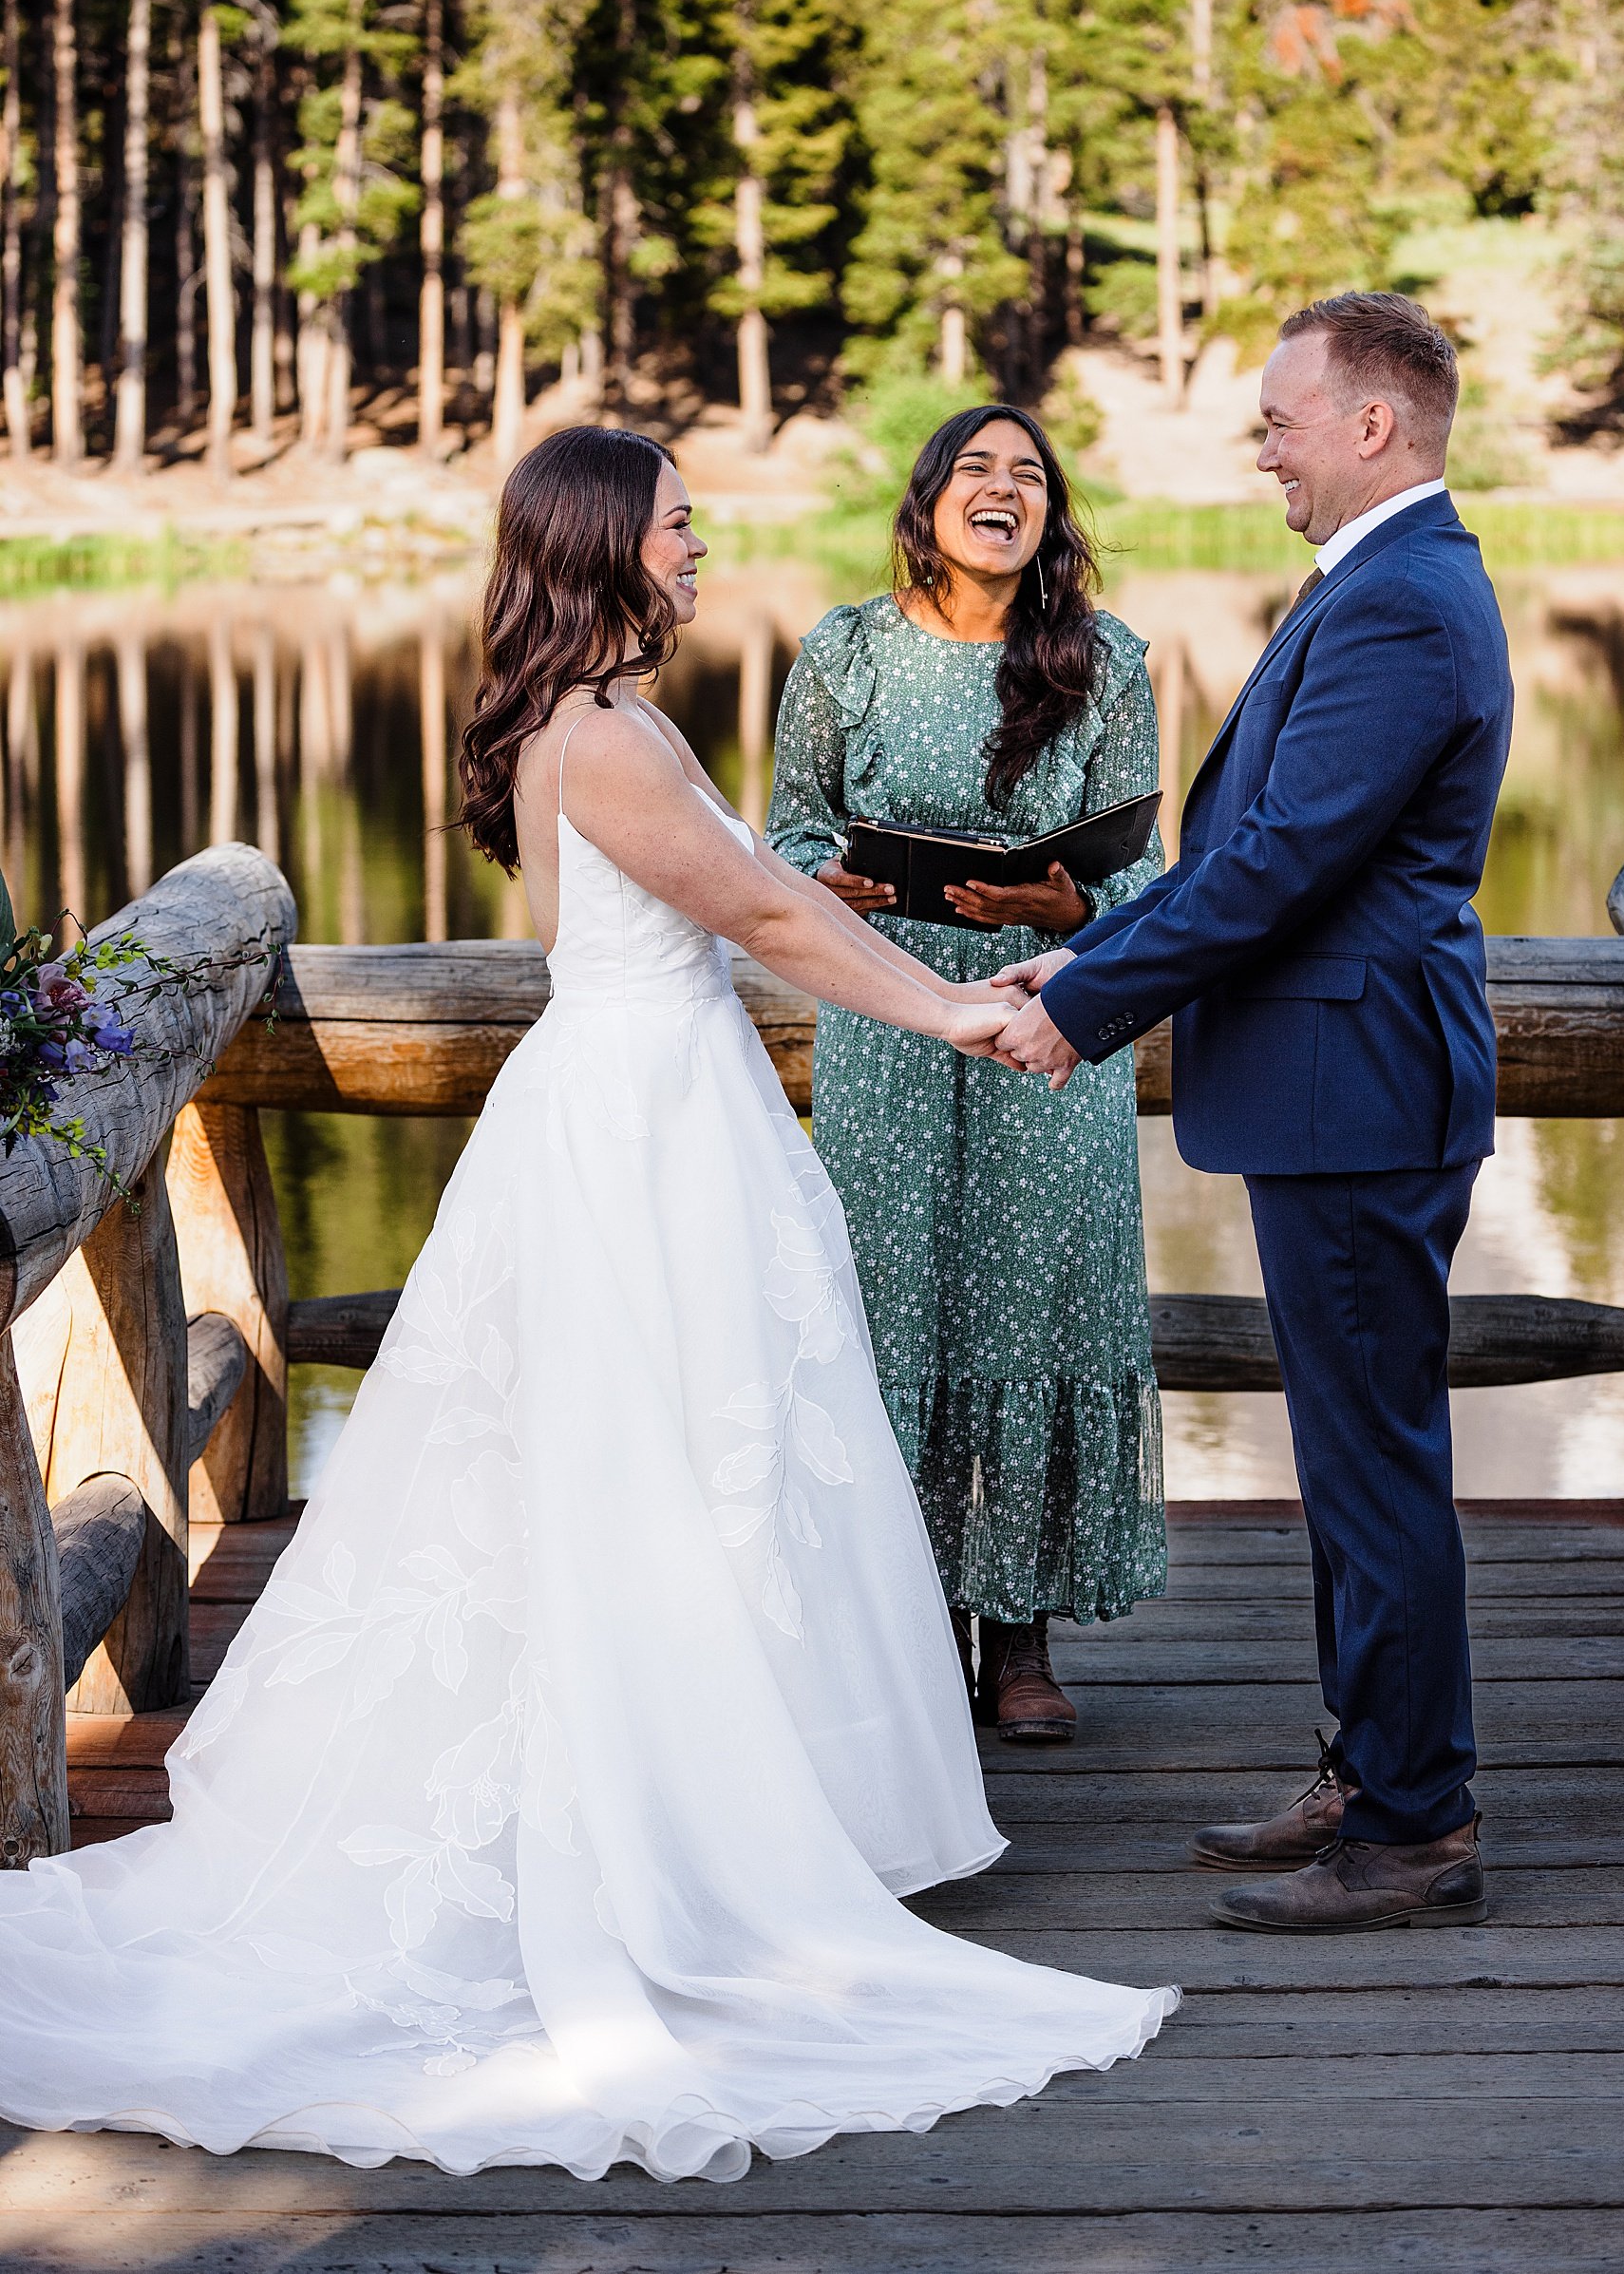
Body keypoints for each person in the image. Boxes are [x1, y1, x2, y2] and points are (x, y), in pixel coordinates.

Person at [0, 426, 1175, 2178]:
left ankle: (699, 1805)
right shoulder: (605, 736)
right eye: (683, 524)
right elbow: (768, 908)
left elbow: (677, 914)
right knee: (650, 1473)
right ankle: (655, 1842)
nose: (703, 548)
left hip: (652, 1106)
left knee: (675, 1474)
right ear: (608, 541)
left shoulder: (594, 719)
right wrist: (960, 1013)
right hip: (640, 1132)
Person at [995, 294, 1514, 1935]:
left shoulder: (1407, 605)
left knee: (1374, 1468)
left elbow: (1285, 865)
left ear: (1376, 424)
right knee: (1355, 1462)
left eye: (1283, 417)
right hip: (1339, 1088)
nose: (1263, 444)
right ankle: (1372, 1766)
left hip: (1357, 1093)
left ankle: (1418, 1827)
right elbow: (1253, 858)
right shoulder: (1388, 582)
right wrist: (1095, 950)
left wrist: (1082, 1007)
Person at [767, 404, 1165, 1746]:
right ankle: (918, 1621)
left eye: (1031, 476)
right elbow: (787, 836)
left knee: (1039, 1306)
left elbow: (1149, 879)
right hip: (888, 1019)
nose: (1005, 490)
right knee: (896, 1308)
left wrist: (1066, 918)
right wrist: (830, 881)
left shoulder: (1107, 662)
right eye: (978, 470)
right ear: (929, 500)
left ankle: (1026, 1635)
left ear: (1050, 515)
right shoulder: (844, 650)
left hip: (1049, 1018)